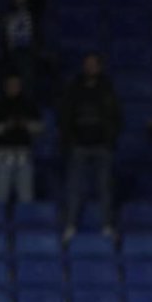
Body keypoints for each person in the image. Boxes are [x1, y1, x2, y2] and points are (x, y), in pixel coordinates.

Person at [59, 52, 122, 242]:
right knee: (75, 187)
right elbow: (64, 114)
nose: (91, 67)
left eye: (94, 64)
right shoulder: (74, 88)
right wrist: (69, 139)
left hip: (102, 145)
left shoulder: (107, 88)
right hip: (79, 145)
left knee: (105, 187)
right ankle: (70, 225)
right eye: (88, 64)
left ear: (100, 67)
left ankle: (107, 226)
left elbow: (117, 116)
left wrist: (111, 138)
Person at [0, 73, 42, 205]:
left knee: (26, 199)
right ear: (6, 86)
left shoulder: (29, 105)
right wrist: (5, 126)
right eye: (11, 85)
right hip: (3, 156)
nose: (14, 87)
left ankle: (26, 224)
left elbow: (39, 128)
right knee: (0, 198)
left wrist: (25, 124)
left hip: (24, 156)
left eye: (16, 85)